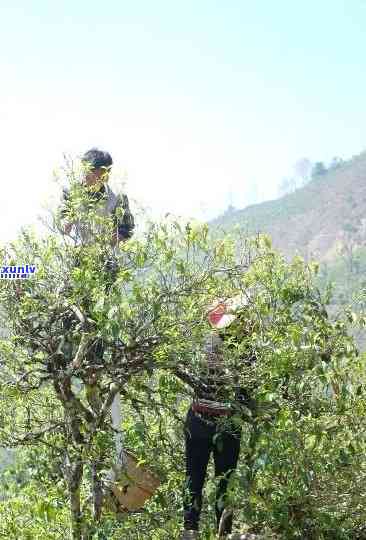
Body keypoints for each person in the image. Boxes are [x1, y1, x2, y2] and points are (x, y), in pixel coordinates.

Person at [181, 295, 255, 540]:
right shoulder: (241, 348)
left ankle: (192, 530)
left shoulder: (202, 343)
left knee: (195, 477)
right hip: (224, 424)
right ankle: (221, 533)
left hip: (199, 420)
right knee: (223, 481)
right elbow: (247, 391)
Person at [61, 147, 135, 245]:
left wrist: (112, 239)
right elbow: (62, 221)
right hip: (77, 252)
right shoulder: (70, 193)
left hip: (109, 256)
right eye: (92, 173)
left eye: (103, 175)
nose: (98, 179)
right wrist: (66, 224)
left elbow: (127, 229)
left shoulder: (118, 197)